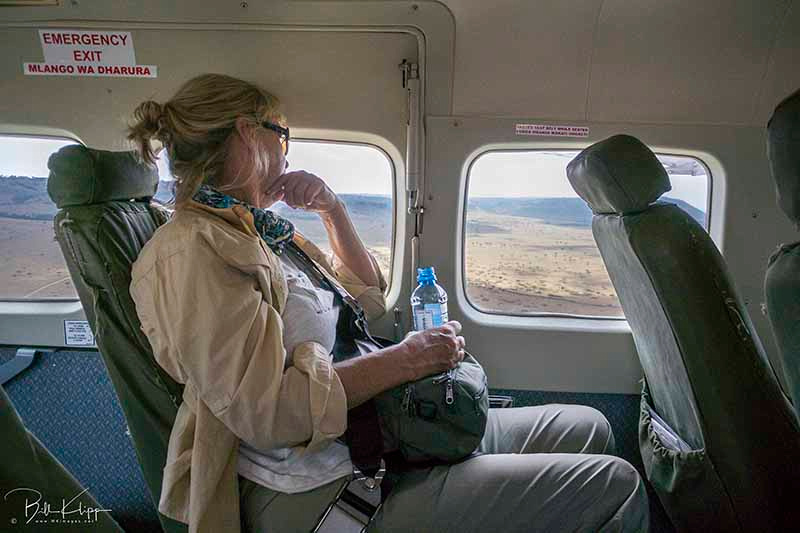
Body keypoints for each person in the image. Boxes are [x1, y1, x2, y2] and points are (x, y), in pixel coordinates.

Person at [128, 73, 649, 532]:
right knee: (615, 484)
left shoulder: (258, 233)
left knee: (590, 428)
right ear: (249, 134)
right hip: (313, 484)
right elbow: (271, 415)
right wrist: (409, 359)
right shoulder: (191, 254)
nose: (287, 153)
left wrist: (332, 210)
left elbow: (368, 303)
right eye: (282, 136)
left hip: (373, 433)